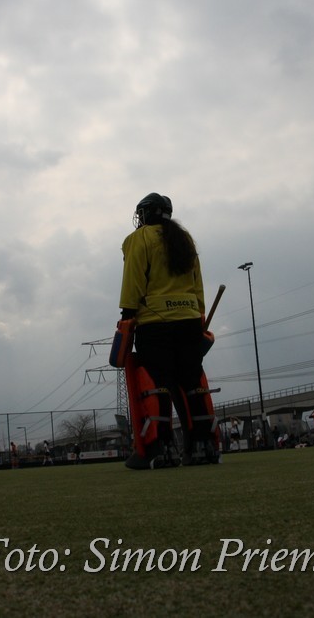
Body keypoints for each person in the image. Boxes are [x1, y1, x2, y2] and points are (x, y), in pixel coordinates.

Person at [118, 193, 217, 469]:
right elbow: (197, 282)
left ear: (145, 214)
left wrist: (127, 315)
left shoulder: (139, 239)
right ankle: (203, 446)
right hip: (189, 320)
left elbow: (133, 278)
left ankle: (160, 449)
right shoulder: (185, 240)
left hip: (155, 323)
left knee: (157, 382)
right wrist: (199, 315)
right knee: (192, 381)